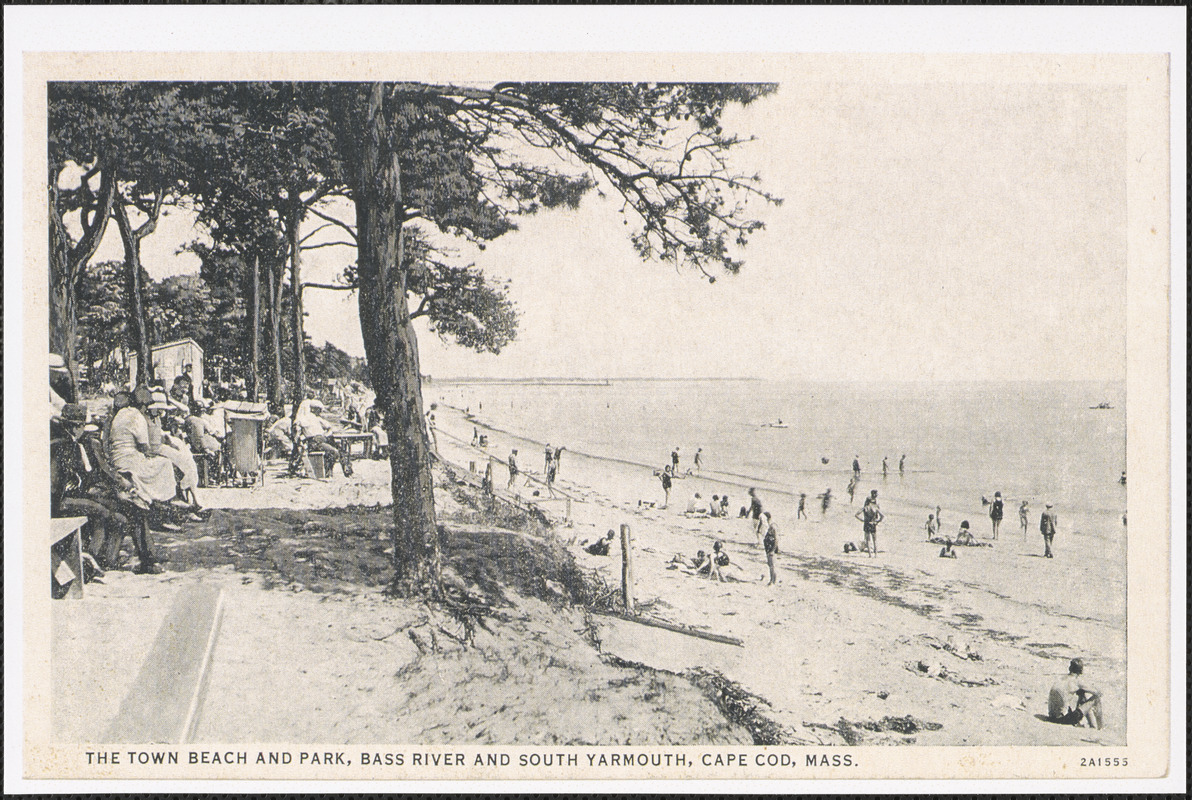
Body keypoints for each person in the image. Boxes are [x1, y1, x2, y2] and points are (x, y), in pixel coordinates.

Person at [108, 386, 181, 505]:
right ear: (142, 405)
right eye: (146, 406)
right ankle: (166, 501)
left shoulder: (120, 414)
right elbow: (144, 448)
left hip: (117, 457)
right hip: (130, 460)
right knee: (165, 463)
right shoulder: (137, 416)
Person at [1047, 658, 1103, 729]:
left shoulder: (1061, 679)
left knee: (1079, 693)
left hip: (1051, 717)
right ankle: (1100, 727)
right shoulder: (1076, 681)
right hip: (1063, 720)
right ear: (1081, 671)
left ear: (1070, 668)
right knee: (1096, 698)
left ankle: (1093, 726)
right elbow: (1098, 693)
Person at [856, 489, 883, 557]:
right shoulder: (875, 507)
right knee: (875, 540)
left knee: (868, 540)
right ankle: (876, 554)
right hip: (873, 523)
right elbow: (882, 516)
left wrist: (862, 520)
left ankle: (870, 555)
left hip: (866, 523)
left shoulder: (865, 508)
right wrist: (878, 521)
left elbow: (856, 515)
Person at [762, 512, 779, 585]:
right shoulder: (770, 526)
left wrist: (772, 550)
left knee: (772, 566)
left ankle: (773, 581)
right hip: (769, 549)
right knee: (770, 565)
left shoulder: (773, 527)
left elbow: (776, 539)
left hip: (771, 549)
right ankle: (771, 580)